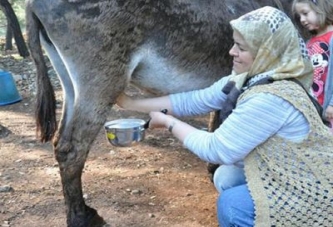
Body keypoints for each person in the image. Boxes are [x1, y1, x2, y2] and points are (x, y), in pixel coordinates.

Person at [117, 6, 333, 227]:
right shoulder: (250, 77)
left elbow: (216, 149)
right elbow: (195, 100)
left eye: (240, 47)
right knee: (226, 177)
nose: (231, 52)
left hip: (310, 188)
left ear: (264, 52)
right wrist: (130, 103)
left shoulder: (271, 97)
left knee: (231, 206)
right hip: (284, 170)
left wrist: (169, 123)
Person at [292, 0, 333, 129]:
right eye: (299, 16)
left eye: (305, 13)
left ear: (320, 8)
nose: (302, 20)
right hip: (315, 108)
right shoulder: (309, 42)